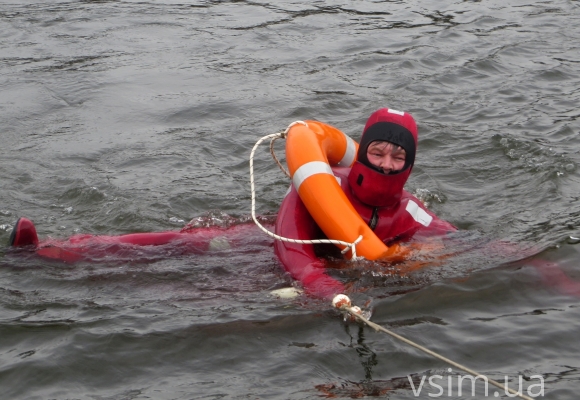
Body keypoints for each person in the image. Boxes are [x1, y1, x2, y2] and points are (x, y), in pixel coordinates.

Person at [274, 108, 457, 299]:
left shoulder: (410, 210)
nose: (386, 165)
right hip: (297, 271)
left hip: (365, 283)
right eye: (377, 153)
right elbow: (290, 246)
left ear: (409, 165)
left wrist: (420, 253)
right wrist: (326, 288)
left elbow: (459, 242)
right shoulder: (318, 186)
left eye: (398, 157)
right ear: (362, 153)